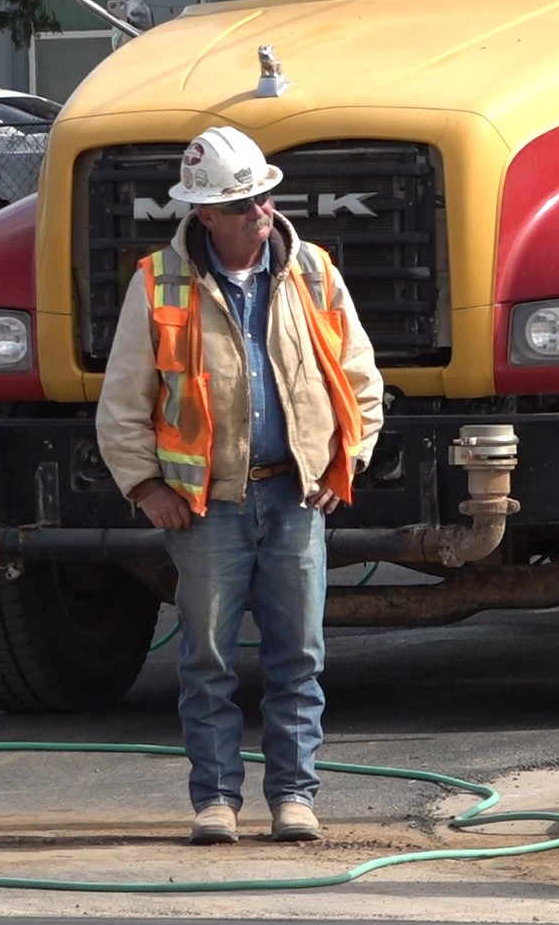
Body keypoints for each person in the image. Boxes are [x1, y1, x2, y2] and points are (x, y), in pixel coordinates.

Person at [96, 125, 384, 845]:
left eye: (263, 196)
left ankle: (293, 796)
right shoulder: (158, 284)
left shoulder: (313, 271)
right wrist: (144, 487)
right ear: (205, 216)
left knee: (299, 657)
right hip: (207, 510)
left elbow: (359, 380)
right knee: (209, 660)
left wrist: (343, 461)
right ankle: (216, 801)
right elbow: (123, 402)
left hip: (295, 496)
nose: (262, 210)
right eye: (244, 202)